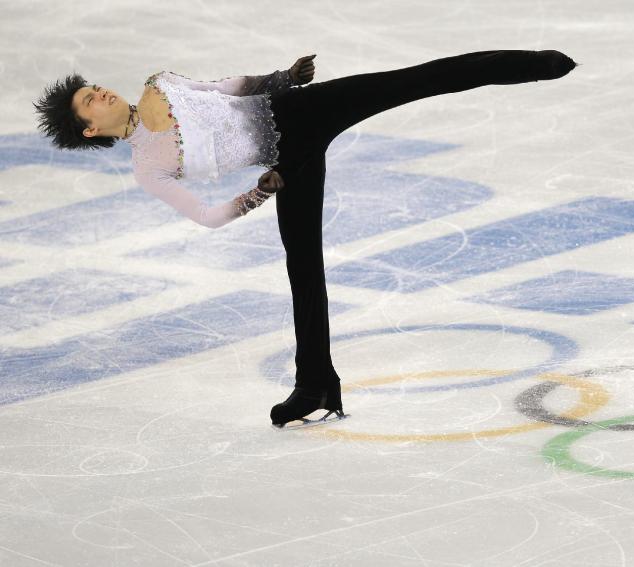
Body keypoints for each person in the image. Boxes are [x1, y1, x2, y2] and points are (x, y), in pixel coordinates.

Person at [33, 50, 578, 428]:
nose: (98, 93)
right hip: (283, 164)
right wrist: (257, 193)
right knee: (303, 269)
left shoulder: (159, 83)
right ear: (89, 130)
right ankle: (316, 386)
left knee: (412, 79)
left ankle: (536, 65)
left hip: (302, 109)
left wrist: (285, 78)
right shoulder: (148, 167)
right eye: (89, 101)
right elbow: (207, 215)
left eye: (92, 88)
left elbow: (228, 88)